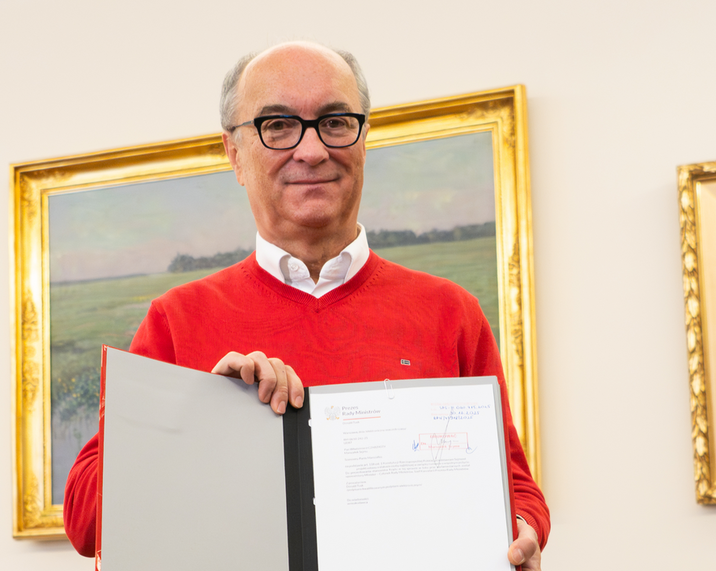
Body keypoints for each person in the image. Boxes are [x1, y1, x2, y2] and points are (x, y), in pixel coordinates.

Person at [64, 41, 550, 569]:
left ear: (364, 138)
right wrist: (200, 414)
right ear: (234, 154)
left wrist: (521, 531)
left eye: (336, 122)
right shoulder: (175, 319)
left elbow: (517, 492)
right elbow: (87, 521)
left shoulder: (451, 312)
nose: (313, 150)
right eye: (278, 125)